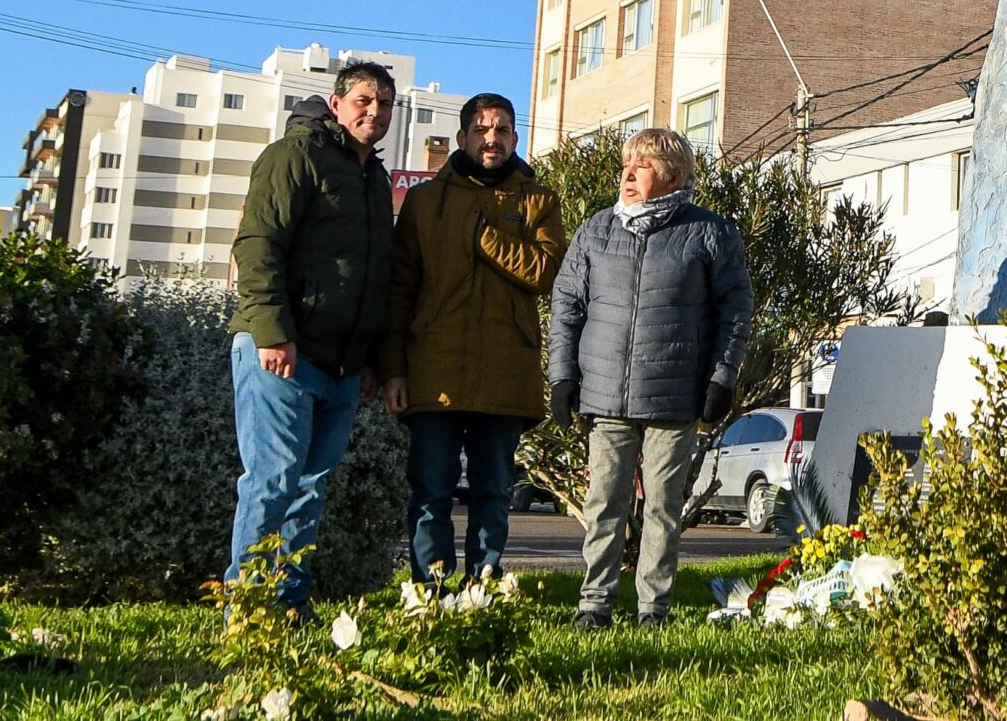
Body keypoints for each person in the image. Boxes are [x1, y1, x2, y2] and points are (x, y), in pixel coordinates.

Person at [547, 126, 753, 629]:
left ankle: (652, 611)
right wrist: (561, 377)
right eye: (626, 165)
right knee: (604, 504)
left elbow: (736, 310)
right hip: (605, 397)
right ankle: (594, 605)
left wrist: (721, 379)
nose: (628, 174)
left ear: (674, 175)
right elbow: (567, 306)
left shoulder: (711, 232)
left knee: (662, 508)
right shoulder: (596, 229)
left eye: (642, 165)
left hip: (676, 397)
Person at [227, 59, 399, 609]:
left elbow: (373, 275)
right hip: (282, 351)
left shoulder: (374, 176)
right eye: (364, 102)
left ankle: (289, 606)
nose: (376, 112)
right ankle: (248, 610)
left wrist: (369, 358)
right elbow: (257, 247)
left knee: (309, 488)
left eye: (386, 104)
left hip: (342, 365)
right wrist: (273, 332)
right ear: (336, 104)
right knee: (274, 479)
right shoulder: (294, 156)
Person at [382, 91, 567, 587]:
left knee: (492, 491)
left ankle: (483, 587)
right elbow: (400, 289)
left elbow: (545, 271)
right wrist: (395, 369)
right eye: (482, 129)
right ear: (463, 137)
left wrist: (483, 236)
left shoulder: (539, 200)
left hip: (506, 370)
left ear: (515, 137)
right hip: (432, 367)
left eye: (503, 129)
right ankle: (430, 592)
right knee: (430, 491)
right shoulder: (424, 201)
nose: (492, 138)